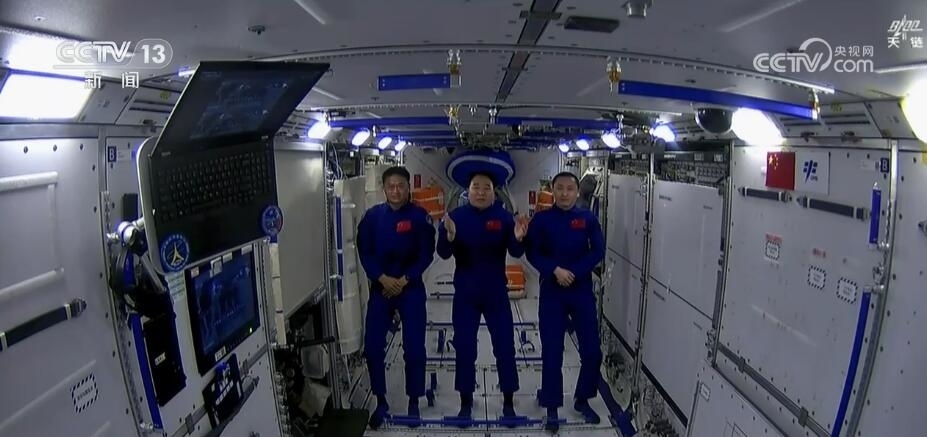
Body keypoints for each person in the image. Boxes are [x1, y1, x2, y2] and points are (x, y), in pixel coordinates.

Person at [436, 171, 528, 425]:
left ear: (493, 192)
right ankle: (465, 400)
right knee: (465, 348)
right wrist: (449, 237)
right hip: (466, 294)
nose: (480, 192)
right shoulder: (456, 218)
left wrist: (519, 236)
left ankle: (508, 400)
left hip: (496, 293)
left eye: (486, 187)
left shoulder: (503, 218)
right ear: (468, 190)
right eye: (476, 186)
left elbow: (516, 251)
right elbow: (443, 253)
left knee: (505, 347)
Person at [523, 171, 606, 433]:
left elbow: (598, 250)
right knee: (552, 351)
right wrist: (555, 270)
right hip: (552, 291)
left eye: (570, 189)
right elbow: (532, 252)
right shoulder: (542, 220)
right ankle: (551, 407)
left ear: (577, 191)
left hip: (581, 291)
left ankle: (582, 399)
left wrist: (576, 272)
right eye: (559, 188)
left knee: (592, 351)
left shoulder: (587, 218)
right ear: (552, 190)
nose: (565, 193)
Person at [356, 166, 436, 429]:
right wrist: (381, 278)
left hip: (410, 288)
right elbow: (365, 252)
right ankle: (380, 400)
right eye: (391, 186)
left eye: (401, 185)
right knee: (372, 346)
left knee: (414, 348)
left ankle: (414, 400)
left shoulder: (420, 217)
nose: (396, 191)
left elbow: (426, 253)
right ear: (384, 189)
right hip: (381, 289)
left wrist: (405, 279)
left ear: (408, 187)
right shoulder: (372, 218)